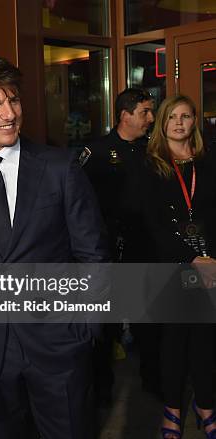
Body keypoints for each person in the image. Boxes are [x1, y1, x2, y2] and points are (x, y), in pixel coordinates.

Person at [0, 54, 109, 439]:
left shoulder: (60, 167)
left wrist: (87, 329)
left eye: (13, 100)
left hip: (60, 348)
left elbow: (93, 254)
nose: (9, 113)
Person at [129, 95, 216, 439]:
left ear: (195, 121)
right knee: (175, 341)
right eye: (172, 117)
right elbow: (150, 223)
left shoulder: (209, 161)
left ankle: (206, 405)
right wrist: (191, 258)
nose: (179, 123)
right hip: (171, 264)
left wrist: (209, 260)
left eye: (186, 116)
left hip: (210, 263)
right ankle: (173, 409)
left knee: (206, 340)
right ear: (162, 124)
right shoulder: (150, 165)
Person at [84, 88, 156, 405]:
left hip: (145, 248)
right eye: (144, 112)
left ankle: (155, 384)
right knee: (106, 327)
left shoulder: (151, 150)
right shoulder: (96, 151)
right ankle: (101, 393)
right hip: (109, 249)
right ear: (125, 114)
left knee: (150, 322)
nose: (150, 119)